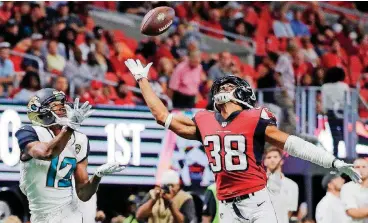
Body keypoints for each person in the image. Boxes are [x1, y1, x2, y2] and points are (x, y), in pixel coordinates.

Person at [124, 58, 360, 222]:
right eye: (222, 85)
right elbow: (162, 115)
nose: (223, 87)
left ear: (242, 95)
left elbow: (292, 143)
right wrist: (142, 80)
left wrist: (333, 162)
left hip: (257, 204)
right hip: (226, 207)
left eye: (229, 85)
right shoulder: (205, 120)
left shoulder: (254, 117)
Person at [15, 88, 125, 223]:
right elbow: (47, 153)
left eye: (63, 105)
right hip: (43, 216)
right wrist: (70, 127)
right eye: (56, 106)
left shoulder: (80, 140)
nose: (63, 109)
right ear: (40, 111)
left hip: (71, 215)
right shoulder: (29, 132)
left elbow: (83, 194)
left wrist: (97, 176)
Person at [264, 147, 299, 223]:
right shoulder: (259, 185)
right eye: (269, 157)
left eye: (275, 157)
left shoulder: (292, 185)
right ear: (264, 162)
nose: (272, 160)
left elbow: (289, 211)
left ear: (281, 161)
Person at [321, 67, 349, 157]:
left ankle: (335, 153)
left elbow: (324, 102)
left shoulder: (325, 87)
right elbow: (347, 101)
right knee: (344, 132)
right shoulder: (344, 86)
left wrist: (324, 111)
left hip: (331, 112)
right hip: (342, 112)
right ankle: (348, 153)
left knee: (334, 133)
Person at [341, 158, 368, 223]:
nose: (361, 169)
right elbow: (352, 212)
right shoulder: (347, 187)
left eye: (364, 167)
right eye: (357, 167)